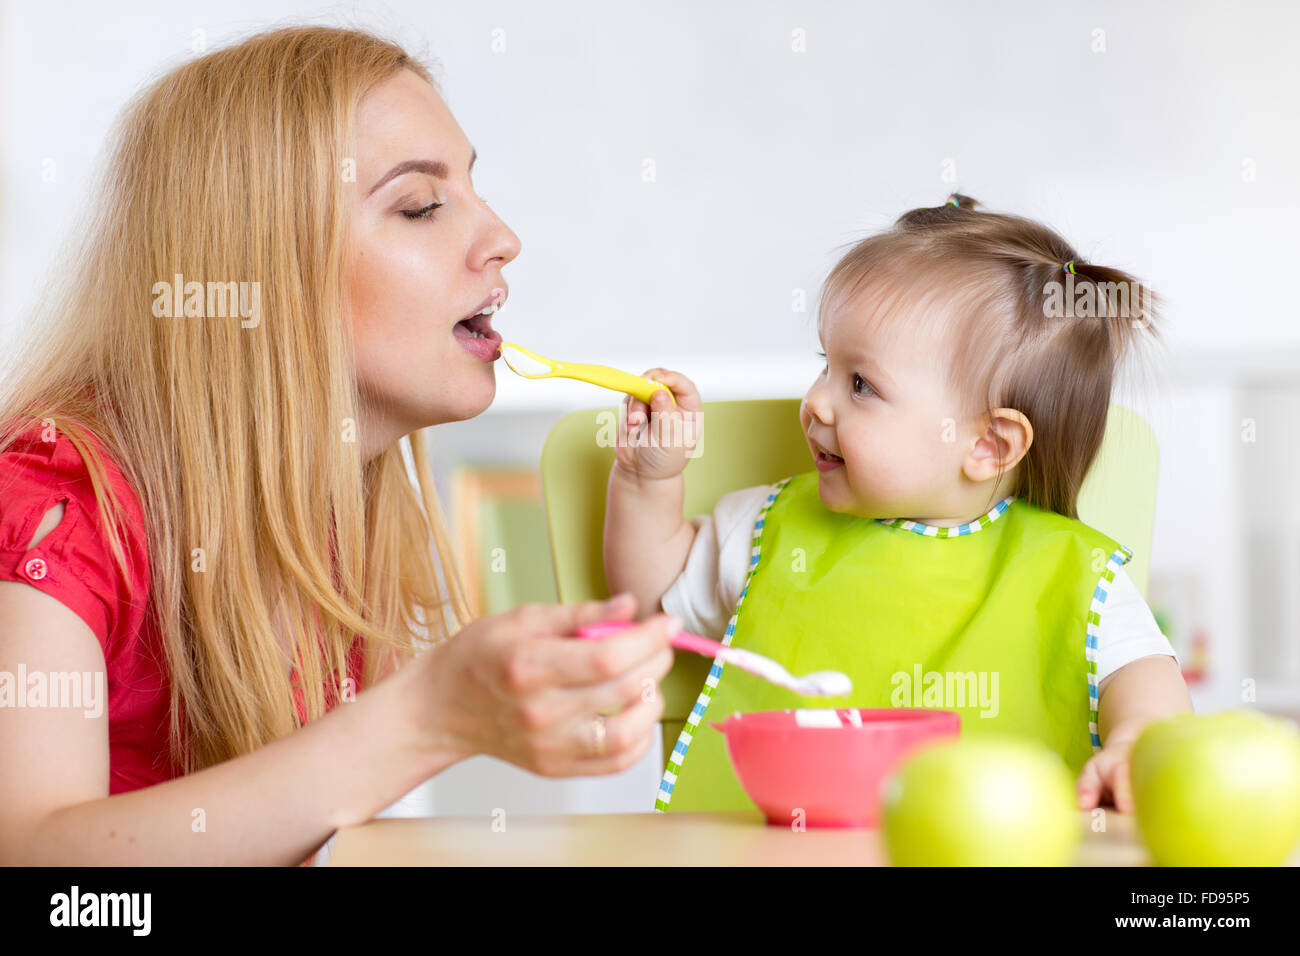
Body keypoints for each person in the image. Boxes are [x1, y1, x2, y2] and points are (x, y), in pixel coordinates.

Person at [0, 25, 679, 866]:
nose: (503, 237)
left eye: (472, 189)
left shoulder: (336, 511)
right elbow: (33, 859)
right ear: (266, 267)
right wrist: (426, 717)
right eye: (422, 206)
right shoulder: (56, 506)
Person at [603, 194, 1193, 816]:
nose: (815, 403)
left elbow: (1146, 675)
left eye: (861, 384)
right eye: (825, 365)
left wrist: (1136, 742)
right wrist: (646, 480)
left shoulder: (1075, 575)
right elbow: (650, 601)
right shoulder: (768, 528)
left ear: (988, 443)